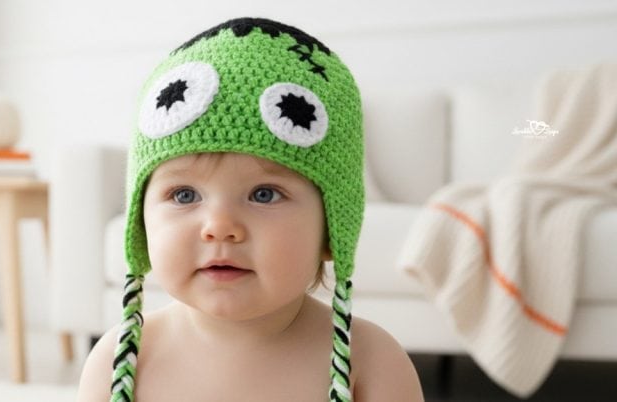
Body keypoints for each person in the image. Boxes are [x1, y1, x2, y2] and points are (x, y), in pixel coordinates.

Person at [77, 17, 424, 402]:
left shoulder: (372, 363)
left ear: (332, 229)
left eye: (264, 194)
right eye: (184, 195)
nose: (220, 227)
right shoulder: (121, 361)